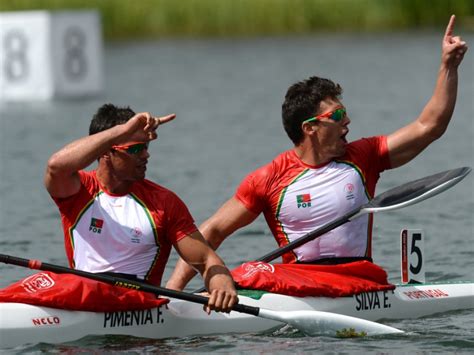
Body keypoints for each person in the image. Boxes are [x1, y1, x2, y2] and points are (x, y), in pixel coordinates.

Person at [166, 15, 468, 291]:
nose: (347, 121)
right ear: (310, 128)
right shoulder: (268, 179)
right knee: (248, 270)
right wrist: (173, 294)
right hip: (300, 285)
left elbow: (429, 126)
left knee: (250, 271)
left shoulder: (364, 157)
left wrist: (448, 67)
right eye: (337, 116)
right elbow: (213, 230)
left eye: (344, 112)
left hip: (358, 280)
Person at [44, 103, 238, 312]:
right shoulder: (78, 191)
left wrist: (221, 284)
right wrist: (123, 130)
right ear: (106, 152)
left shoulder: (163, 203)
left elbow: (207, 260)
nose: (146, 155)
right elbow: (56, 166)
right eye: (135, 149)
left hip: (140, 311)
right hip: (83, 300)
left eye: (145, 147)